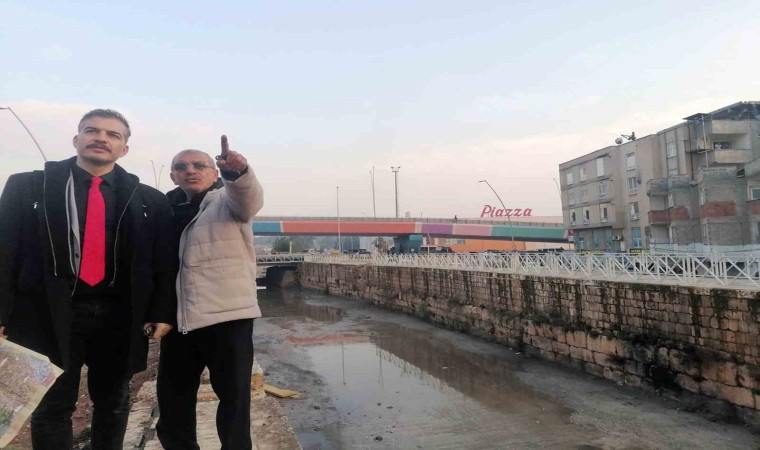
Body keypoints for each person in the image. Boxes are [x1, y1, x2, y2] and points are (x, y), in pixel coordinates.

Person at [0, 109, 176, 449]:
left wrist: (162, 311)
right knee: (52, 404)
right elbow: (5, 251)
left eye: (113, 134)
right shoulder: (29, 187)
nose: (101, 138)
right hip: (48, 311)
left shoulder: (147, 200)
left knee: (114, 401)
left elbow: (163, 262)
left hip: (119, 314)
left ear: (124, 149)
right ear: (76, 139)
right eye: (92, 130)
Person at [156, 136, 264, 450]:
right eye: (181, 167)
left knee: (234, 401)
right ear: (173, 176)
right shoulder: (163, 210)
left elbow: (249, 198)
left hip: (227, 319)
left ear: (214, 173)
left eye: (199, 165)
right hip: (179, 320)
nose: (190, 170)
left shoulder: (227, 201)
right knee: (173, 403)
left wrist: (237, 173)